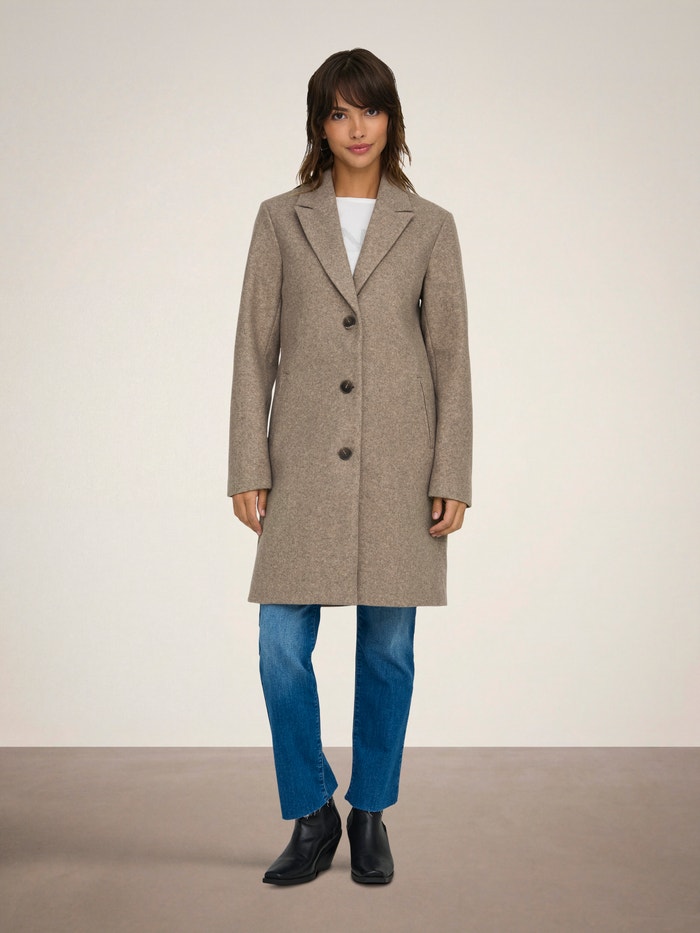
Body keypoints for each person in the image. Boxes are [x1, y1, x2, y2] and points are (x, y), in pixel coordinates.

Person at [228, 48, 472, 886]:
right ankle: (311, 810)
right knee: (279, 647)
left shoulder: (430, 224)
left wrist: (452, 472)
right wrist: (247, 461)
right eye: (338, 112)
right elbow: (253, 347)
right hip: (300, 463)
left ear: (391, 118)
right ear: (319, 125)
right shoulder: (280, 219)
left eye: (368, 110)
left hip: (403, 465)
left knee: (389, 651)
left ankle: (371, 811)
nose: (356, 127)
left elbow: (451, 357)